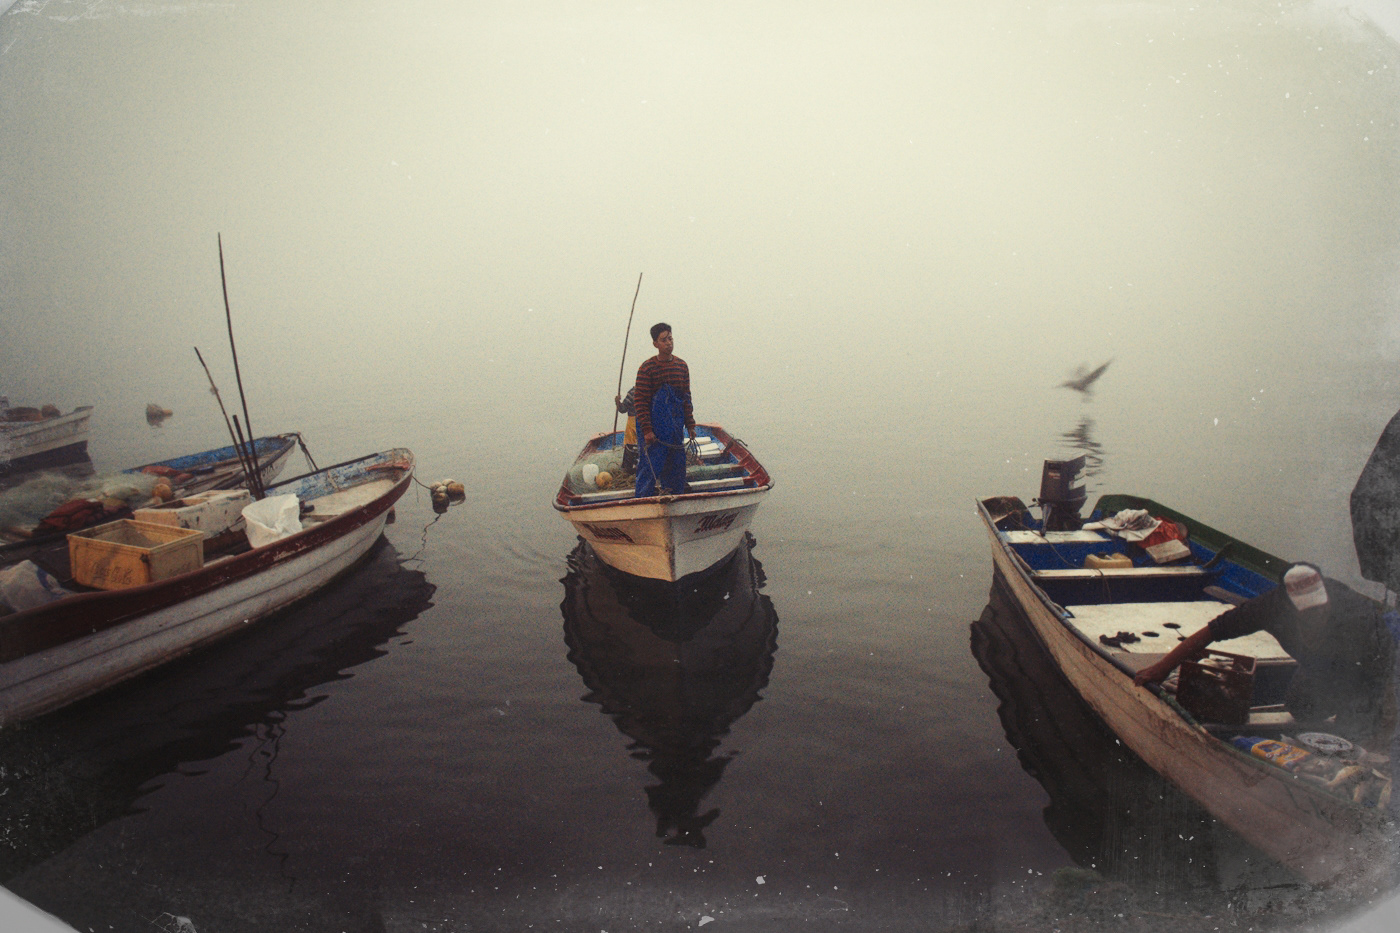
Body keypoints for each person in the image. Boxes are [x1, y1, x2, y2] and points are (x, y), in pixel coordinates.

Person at [1134, 564, 1396, 742]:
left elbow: (1384, 671)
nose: (1315, 617)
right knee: (1300, 708)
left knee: (1359, 733)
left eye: (1320, 610)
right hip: (1316, 667)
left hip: (1360, 671)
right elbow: (1213, 630)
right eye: (1307, 613)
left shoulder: (1357, 616)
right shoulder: (1270, 607)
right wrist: (1162, 668)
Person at [633, 322, 697, 498]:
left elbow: (686, 398)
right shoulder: (647, 368)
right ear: (655, 344)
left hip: (675, 428)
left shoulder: (681, 366)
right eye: (664, 340)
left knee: (676, 467)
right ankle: (643, 502)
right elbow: (640, 401)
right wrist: (647, 430)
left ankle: (674, 498)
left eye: (670, 338)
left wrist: (690, 425)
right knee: (649, 467)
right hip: (654, 430)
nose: (669, 343)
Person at [614, 386, 639, 474]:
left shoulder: (633, 392)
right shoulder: (651, 390)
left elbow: (623, 409)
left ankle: (628, 469)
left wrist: (618, 402)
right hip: (645, 422)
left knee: (630, 446)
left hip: (633, 423)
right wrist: (618, 402)